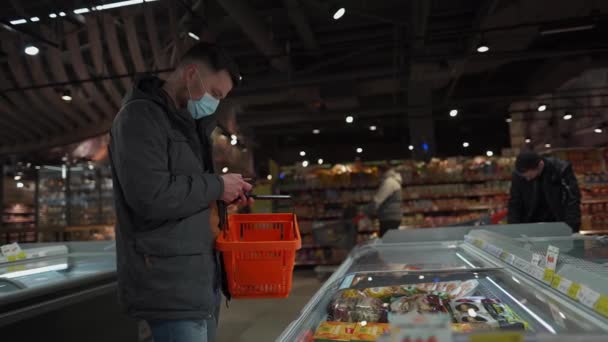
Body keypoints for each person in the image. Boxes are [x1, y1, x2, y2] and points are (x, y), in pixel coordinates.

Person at [109, 43, 253, 342]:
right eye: (214, 93)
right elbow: (150, 197)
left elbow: (185, 193)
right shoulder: (140, 118)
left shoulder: (189, 123)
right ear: (191, 74)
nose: (215, 103)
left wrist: (222, 195)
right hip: (167, 285)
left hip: (197, 278)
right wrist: (216, 185)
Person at [508, 151, 581, 232]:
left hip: (558, 222)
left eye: (529, 176)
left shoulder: (560, 169)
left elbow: (572, 200)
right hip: (530, 224)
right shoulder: (519, 174)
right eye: (524, 176)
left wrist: (572, 229)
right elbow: (514, 202)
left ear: (540, 165)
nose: (527, 179)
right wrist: (513, 229)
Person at [368, 163, 403, 236]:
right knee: (390, 240)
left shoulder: (388, 182)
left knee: (385, 241)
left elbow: (377, 199)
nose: (376, 174)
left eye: (377, 172)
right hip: (393, 216)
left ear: (381, 171)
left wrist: (369, 211)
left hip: (388, 216)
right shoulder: (394, 180)